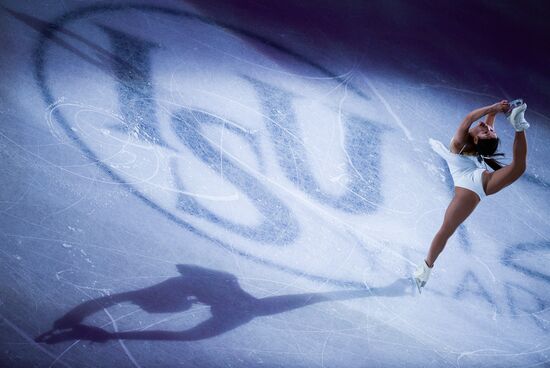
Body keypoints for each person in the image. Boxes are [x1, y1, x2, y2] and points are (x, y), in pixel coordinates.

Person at [413, 99, 530, 293]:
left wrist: (494, 110)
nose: (486, 127)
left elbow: (471, 118)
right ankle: (427, 266)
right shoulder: (467, 143)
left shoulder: (461, 142)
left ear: (477, 140)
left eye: (487, 131)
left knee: (446, 230)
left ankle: (519, 126)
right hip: (473, 185)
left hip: (471, 185)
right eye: (488, 130)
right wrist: (494, 111)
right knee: (446, 230)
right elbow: (477, 122)